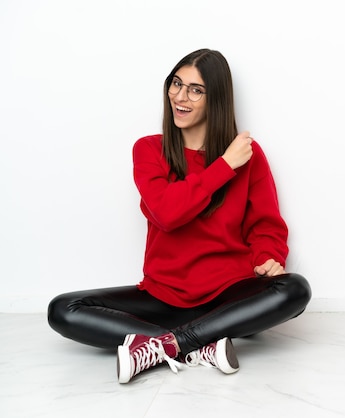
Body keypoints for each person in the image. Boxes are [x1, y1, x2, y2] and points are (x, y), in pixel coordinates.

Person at [48, 48, 312, 384]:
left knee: (295, 289)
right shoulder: (149, 149)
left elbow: (266, 225)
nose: (180, 96)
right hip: (163, 297)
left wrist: (268, 258)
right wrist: (224, 166)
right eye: (176, 84)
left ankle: (166, 344)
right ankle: (201, 344)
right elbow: (167, 213)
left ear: (216, 98)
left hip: (227, 296)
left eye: (195, 89)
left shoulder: (248, 154)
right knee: (63, 309)